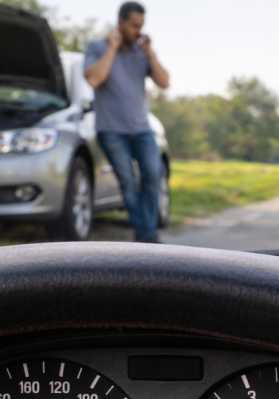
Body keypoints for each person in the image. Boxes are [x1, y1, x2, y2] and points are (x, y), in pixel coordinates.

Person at [84, 2, 170, 243]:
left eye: (141, 26)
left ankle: (145, 232)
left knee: (153, 177)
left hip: (142, 129)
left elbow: (164, 83)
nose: (138, 31)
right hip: (111, 131)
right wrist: (111, 50)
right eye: (134, 26)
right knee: (128, 183)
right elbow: (93, 78)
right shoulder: (97, 47)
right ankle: (147, 235)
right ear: (120, 22)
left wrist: (150, 54)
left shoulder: (141, 52)